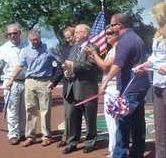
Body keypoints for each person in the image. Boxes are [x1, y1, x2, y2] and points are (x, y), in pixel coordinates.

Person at [134, 0, 166, 158]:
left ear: (165, 13)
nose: (154, 17)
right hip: (158, 86)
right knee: (160, 127)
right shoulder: (158, 33)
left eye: (156, 14)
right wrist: (144, 66)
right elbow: (155, 58)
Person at [100, 13, 150, 158]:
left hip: (130, 87)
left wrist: (105, 82)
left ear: (119, 26)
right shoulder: (136, 38)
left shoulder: (125, 41)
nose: (110, 28)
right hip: (139, 85)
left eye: (112, 25)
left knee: (123, 122)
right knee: (137, 121)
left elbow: (117, 65)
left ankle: (119, 154)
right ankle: (137, 152)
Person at [6, 29, 62, 147]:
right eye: (32, 40)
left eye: (36, 39)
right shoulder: (25, 51)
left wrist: (54, 79)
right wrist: (11, 79)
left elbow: (60, 62)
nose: (34, 42)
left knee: (45, 109)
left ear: (40, 38)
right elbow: (20, 66)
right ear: (29, 39)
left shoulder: (49, 49)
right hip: (30, 81)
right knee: (30, 109)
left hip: (44, 81)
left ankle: (46, 136)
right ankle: (30, 136)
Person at [62, 24, 99, 154]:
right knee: (72, 117)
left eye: (78, 32)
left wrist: (73, 66)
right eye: (75, 32)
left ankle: (90, 141)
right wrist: (67, 71)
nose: (75, 34)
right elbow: (69, 64)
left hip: (87, 88)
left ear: (85, 34)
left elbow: (90, 65)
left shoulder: (93, 48)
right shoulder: (74, 48)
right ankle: (72, 142)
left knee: (89, 117)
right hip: (72, 88)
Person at [85, 29, 120, 158]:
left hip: (114, 87)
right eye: (107, 34)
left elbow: (105, 66)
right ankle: (113, 148)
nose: (107, 36)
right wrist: (94, 57)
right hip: (110, 87)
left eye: (111, 33)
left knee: (113, 121)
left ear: (118, 35)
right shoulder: (112, 49)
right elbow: (104, 65)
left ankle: (115, 149)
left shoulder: (117, 49)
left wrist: (95, 53)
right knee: (110, 121)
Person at [0, 23, 28, 145]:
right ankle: (13, 134)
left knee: (24, 110)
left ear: (20, 33)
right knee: (12, 109)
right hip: (10, 83)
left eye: (15, 33)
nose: (12, 35)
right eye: (10, 34)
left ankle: (23, 133)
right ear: (7, 35)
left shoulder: (27, 45)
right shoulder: (3, 49)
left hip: (26, 82)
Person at [57, 26, 76, 148]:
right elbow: (61, 67)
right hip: (68, 84)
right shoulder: (64, 49)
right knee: (68, 113)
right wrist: (53, 82)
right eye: (66, 38)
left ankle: (89, 139)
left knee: (84, 113)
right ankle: (67, 137)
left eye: (70, 37)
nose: (68, 40)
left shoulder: (82, 48)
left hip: (81, 85)